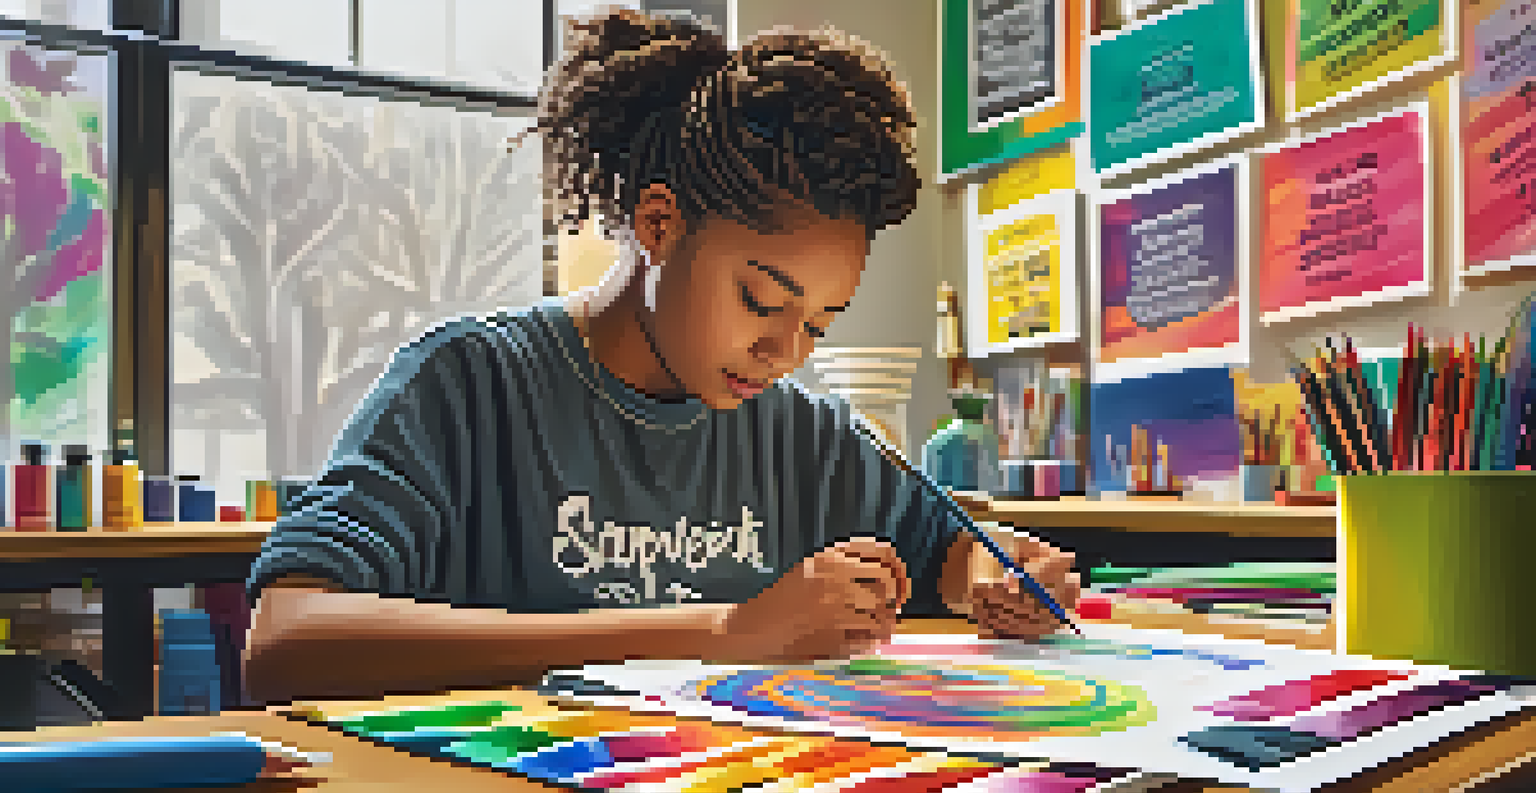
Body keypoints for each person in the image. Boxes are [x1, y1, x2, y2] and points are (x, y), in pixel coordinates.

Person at [242, 9, 1080, 704]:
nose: (783, 353)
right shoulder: (469, 384)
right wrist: (723, 632)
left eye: (819, 325)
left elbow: (952, 547)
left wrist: (994, 575)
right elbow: (286, 641)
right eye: (760, 300)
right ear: (657, 225)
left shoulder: (804, 434)